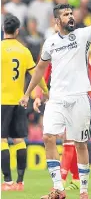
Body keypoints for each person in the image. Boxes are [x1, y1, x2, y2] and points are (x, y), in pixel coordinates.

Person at [19, 0, 91, 199]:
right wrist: (28, 92)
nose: (70, 16)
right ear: (57, 21)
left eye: (71, 13)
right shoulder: (50, 43)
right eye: (66, 14)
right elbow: (40, 70)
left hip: (80, 97)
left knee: (80, 144)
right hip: (57, 99)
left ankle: (83, 191)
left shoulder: (83, 35)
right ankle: (58, 188)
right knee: (48, 137)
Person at [1, 15, 48, 191]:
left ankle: (7, 181)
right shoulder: (23, 50)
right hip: (20, 100)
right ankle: (20, 182)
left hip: (3, 101)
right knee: (19, 140)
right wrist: (45, 91)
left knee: (2, 139)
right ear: (18, 30)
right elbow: (36, 74)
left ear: (3, 29)